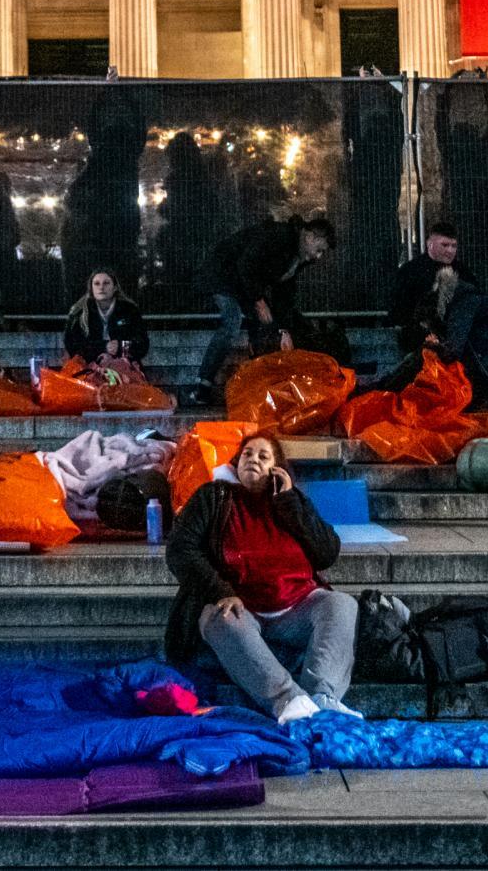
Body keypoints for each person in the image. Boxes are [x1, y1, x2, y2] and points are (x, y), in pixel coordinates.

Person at [162, 430, 358, 724]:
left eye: (263, 456)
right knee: (220, 620)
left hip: (296, 606)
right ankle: (288, 701)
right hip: (240, 607)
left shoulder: (291, 502)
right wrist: (219, 591)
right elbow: (180, 549)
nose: (253, 459)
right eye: (247, 454)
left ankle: (322, 696)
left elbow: (327, 552)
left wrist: (290, 502)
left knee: (341, 605)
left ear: (276, 469)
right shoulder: (214, 497)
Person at [195, 216, 335, 392]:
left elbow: (284, 294)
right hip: (222, 276)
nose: (318, 256)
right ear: (309, 237)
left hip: (243, 284)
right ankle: (203, 382)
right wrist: (259, 301)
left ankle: (260, 380)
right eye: (319, 250)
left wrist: (283, 329)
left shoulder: (298, 258)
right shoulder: (278, 237)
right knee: (232, 322)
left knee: (267, 324)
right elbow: (246, 264)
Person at [386, 222, 459, 343]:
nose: (450, 250)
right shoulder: (409, 272)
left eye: (454, 246)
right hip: (418, 338)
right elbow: (398, 311)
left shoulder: (463, 272)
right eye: (445, 245)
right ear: (430, 244)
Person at [63, 269, 149, 366]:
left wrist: (120, 346)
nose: (101, 287)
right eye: (96, 284)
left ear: (115, 287)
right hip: (88, 368)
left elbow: (143, 344)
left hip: (124, 366)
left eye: (106, 283)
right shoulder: (78, 313)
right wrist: (103, 347)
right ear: (91, 288)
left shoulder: (130, 310)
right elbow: (72, 346)